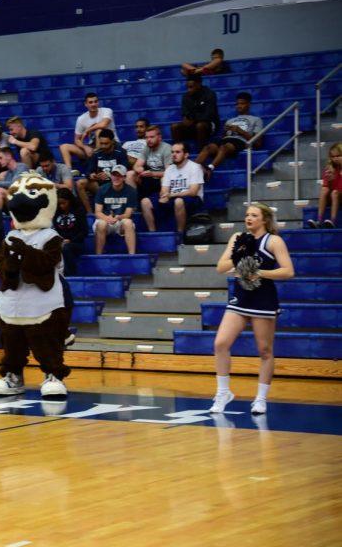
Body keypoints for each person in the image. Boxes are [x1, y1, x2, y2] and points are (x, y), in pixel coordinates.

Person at [210, 203, 294, 415]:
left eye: (254, 215)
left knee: (264, 350)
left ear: (264, 219)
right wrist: (238, 254)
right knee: (220, 343)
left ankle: (261, 399)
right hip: (241, 296)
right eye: (247, 214)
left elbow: (288, 271)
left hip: (263, 298)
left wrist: (260, 272)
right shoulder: (238, 238)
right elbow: (220, 268)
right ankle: (223, 393)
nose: (248, 218)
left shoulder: (273, 241)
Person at [141, 142, 204, 234]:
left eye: (178, 152)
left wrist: (172, 195)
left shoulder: (194, 167)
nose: (174, 155)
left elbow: (193, 192)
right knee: (145, 202)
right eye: (172, 152)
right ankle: (153, 233)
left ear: (186, 155)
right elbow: (164, 190)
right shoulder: (170, 169)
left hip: (192, 199)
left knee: (178, 201)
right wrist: (164, 196)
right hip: (172, 197)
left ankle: (180, 234)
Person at [196, 92, 264, 178]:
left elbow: (258, 143)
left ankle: (209, 168)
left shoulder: (256, 120)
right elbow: (223, 137)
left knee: (225, 147)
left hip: (241, 141)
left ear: (249, 104)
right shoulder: (230, 120)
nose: (239, 106)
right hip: (226, 140)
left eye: (242, 103)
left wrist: (241, 131)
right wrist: (225, 132)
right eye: (237, 104)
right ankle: (191, 170)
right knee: (208, 147)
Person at [75, 129, 133, 214]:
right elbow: (89, 171)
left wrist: (110, 175)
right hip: (99, 185)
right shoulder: (96, 154)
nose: (103, 146)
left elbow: (124, 170)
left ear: (112, 142)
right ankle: (90, 213)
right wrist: (92, 175)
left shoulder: (120, 152)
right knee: (80, 183)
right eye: (101, 143)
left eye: (106, 144)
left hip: (115, 184)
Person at [58, 93, 117, 171]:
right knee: (64, 147)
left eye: (95, 101)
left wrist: (87, 130)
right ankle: (69, 171)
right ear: (86, 104)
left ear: (98, 102)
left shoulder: (107, 111)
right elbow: (77, 140)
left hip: (111, 146)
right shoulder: (81, 119)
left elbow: (103, 124)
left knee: (99, 131)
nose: (94, 104)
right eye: (90, 102)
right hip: (93, 149)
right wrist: (85, 147)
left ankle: (98, 163)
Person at [93, 165, 137, 255]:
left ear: (124, 177)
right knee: (101, 224)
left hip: (120, 221)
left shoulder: (131, 191)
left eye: (119, 175)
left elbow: (128, 214)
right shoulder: (102, 189)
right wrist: (107, 218)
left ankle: (132, 255)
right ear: (111, 176)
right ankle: (98, 255)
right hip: (105, 219)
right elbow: (97, 212)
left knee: (128, 223)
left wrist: (118, 217)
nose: (116, 178)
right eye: (114, 175)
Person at [171, 74, 219, 150]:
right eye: (187, 87)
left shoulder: (210, 94)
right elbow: (185, 112)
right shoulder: (186, 96)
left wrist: (193, 119)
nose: (188, 90)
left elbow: (209, 114)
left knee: (200, 125)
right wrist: (186, 119)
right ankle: (178, 150)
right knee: (175, 126)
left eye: (191, 87)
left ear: (199, 84)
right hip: (193, 124)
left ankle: (202, 151)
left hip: (209, 125)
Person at [307, 142, 342, 228]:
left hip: (339, 194)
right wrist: (330, 180)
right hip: (334, 197)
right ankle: (319, 220)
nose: (335, 159)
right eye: (333, 157)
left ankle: (333, 220)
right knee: (324, 190)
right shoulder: (329, 168)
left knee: (335, 193)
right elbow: (326, 187)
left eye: (338, 156)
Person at [53, 188, 88, 276]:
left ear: (69, 200)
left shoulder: (79, 211)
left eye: (64, 203)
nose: (61, 206)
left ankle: (70, 275)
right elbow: (56, 230)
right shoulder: (56, 212)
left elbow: (84, 231)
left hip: (77, 243)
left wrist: (70, 240)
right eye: (59, 203)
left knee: (66, 248)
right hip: (60, 242)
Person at [135, 125, 172, 199]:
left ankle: (163, 202)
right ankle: (134, 204)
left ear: (159, 138)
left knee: (164, 179)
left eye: (152, 137)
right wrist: (140, 170)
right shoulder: (146, 148)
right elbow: (137, 165)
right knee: (131, 174)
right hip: (150, 177)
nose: (148, 140)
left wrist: (153, 174)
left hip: (162, 177)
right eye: (147, 137)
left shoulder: (167, 148)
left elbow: (170, 173)